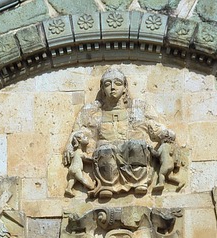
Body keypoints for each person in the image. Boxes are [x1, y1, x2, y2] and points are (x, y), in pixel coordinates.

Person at [64, 68, 181, 198]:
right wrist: (70, 145)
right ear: (102, 89)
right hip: (106, 151)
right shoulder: (93, 111)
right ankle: (107, 185)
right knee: (105, 151)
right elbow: (81, 131)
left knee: (137, 146)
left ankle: (139, 182)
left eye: (118, 83)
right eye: (107, 84)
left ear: (125, 88)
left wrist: (168, 137)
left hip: (131, 152)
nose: (112, 87)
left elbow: (156, 128)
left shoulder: (140, 108)